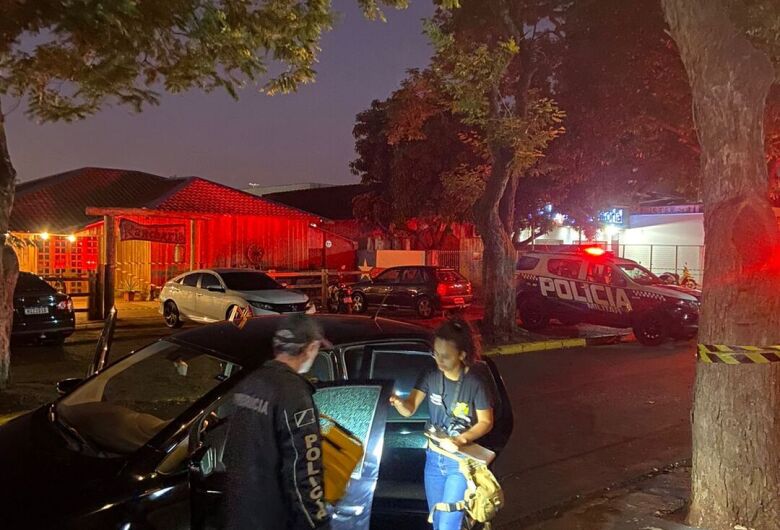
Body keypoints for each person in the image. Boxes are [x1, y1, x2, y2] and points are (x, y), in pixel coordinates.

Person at [223, 313, 331, 530]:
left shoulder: (250, 382)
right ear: (310, 348)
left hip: (239, 516)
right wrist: (318, 523)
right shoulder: (294, 395)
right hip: (274, 519)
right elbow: (304, 472)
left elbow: (231, 451)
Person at [389, 319, 495, 530]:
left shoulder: (475, 383)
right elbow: (409, 409)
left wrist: (461, 439)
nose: (439, 360)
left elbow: (486, 421)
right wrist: (399, 402)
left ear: (462, 355)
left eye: (445, 356)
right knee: (437, 521)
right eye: (436, 354)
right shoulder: (430, 376)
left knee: (448, 525)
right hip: (433, 459)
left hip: (459, 463)